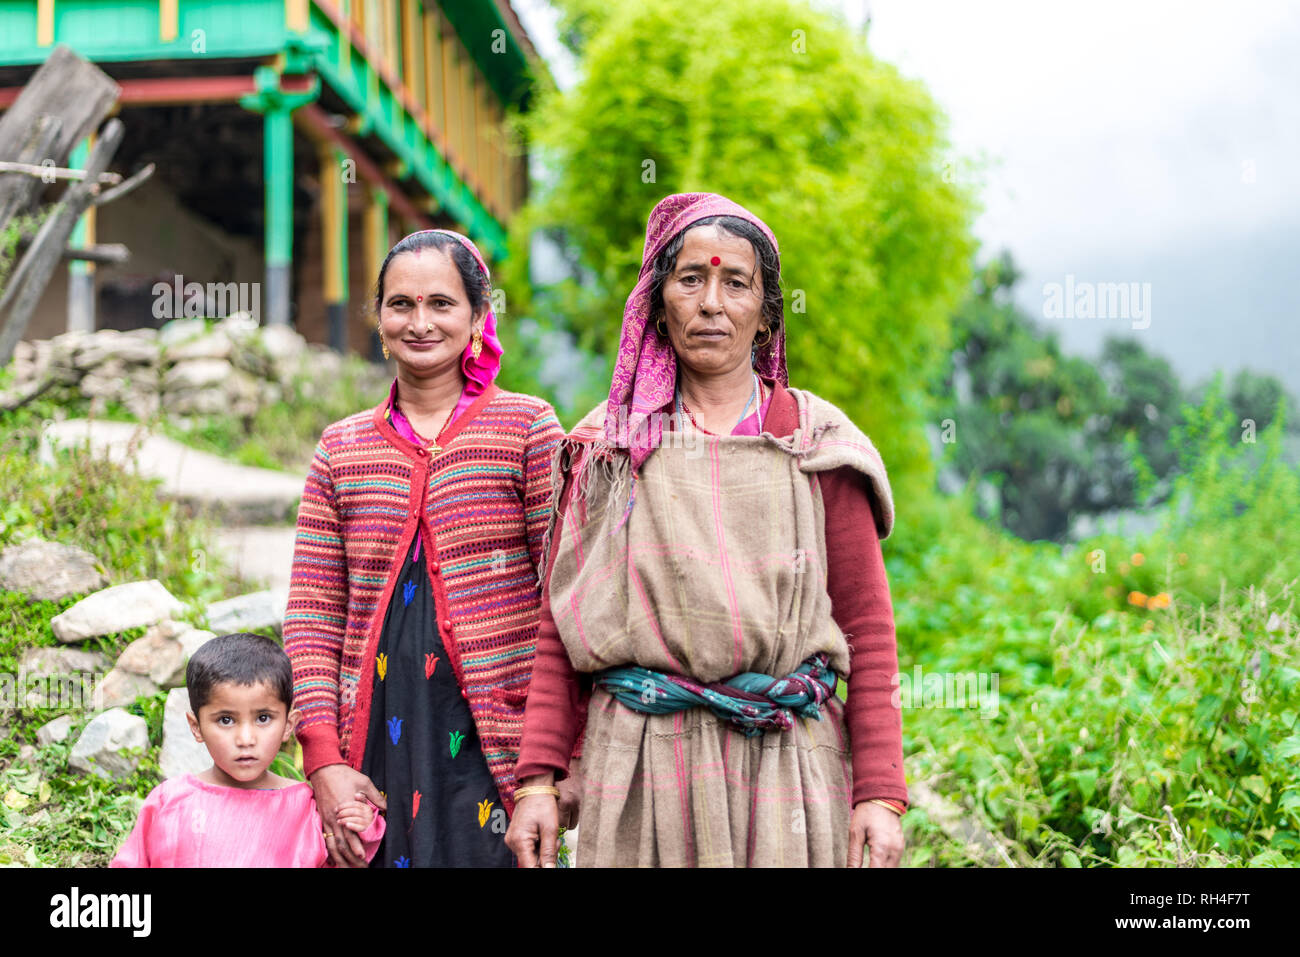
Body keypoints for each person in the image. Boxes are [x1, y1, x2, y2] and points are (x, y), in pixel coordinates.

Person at [506, 192, 908, 868]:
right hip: (639, 768)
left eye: (736, 282)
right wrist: (538, 777)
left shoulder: (816, 445)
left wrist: (878, 793)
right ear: (659, 302)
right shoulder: (611, 447)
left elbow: (867, 629)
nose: (712, 302)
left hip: (788, 771)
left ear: (765, 314)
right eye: (691, 279)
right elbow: (563, 623)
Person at [284, 229, 576, 868]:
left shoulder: (527, 429)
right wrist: (324, 760)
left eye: (442, 304)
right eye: (401, 305)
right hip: (375, 738)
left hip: (493, 741)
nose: (420, 323)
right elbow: (311, 616)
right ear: (379, 318)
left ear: (477, 316)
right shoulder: (343, 448)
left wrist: (553, 765)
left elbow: (567, 600)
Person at [110, 632, 384, 867]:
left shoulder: (306, 807)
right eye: (225, 720)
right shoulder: (169, 801)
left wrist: (364, 826)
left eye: (263, 718)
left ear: (289, 725)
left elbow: (350, 854)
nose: (245, 738)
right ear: (196, 727)